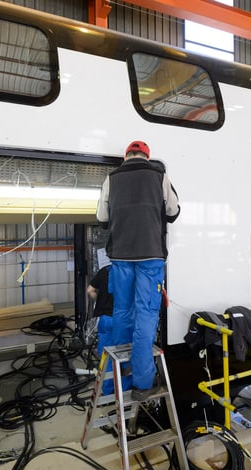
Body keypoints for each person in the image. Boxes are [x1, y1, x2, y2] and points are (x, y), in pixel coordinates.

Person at [96, 140, 180, 401]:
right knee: (145, 315)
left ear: (126, 156)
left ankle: (119, 379)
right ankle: (143, 383)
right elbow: (173, 211)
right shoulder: (159, 176)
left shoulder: (111, 178)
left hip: (120, 256)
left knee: (122, 311)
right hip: (150, 256)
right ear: (147, 156)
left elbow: (101, 218)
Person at [87, 264, 115, 394]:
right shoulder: (130, 271)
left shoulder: (105, 270)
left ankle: (107, 390)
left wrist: (100, 300)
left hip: (105, 320)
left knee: (106, 357)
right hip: (122, 320)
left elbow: (90, 290)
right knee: (124, 355)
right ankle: (122, 390)